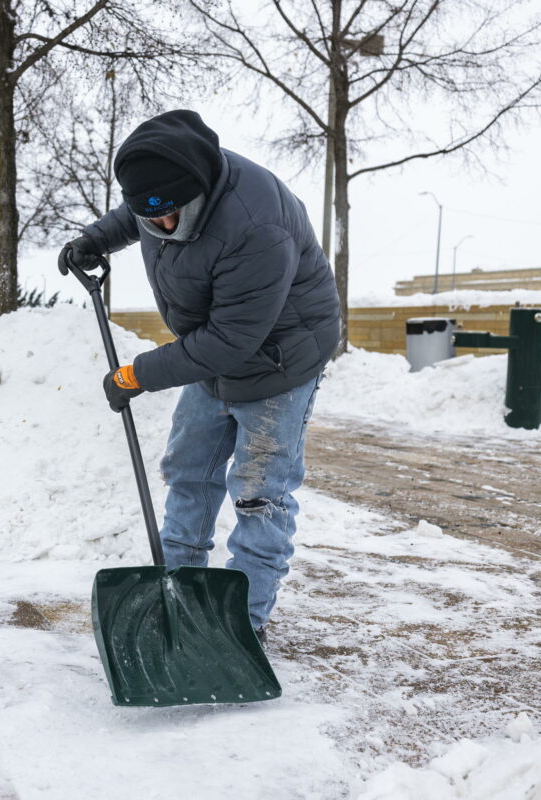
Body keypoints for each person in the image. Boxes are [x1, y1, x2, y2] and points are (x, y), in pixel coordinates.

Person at [58, 109, 341, 643]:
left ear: (201, 188)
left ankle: (242, 627)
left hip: (279, 361)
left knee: (259, 496)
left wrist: (135, 375)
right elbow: (140, 209)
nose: (162, 226)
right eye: (151, 216)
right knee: (188, 473)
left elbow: (231, 341)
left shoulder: (257, 225)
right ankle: (182, 598)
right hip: (209, 352)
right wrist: (96, 238)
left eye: (172, 214)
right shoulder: (166, 190)